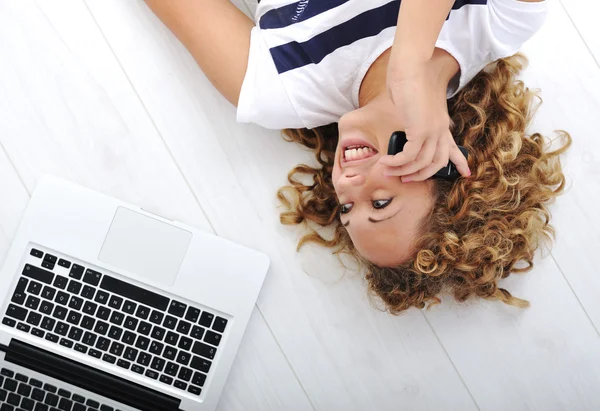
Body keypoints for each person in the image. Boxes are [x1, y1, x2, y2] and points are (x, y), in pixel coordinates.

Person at [145, 0, 571, 313]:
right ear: (452, 168)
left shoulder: (277, 88)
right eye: (380, 203)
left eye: (347, 207)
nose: (345, 185)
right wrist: (409, 62)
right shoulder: (499, 18)